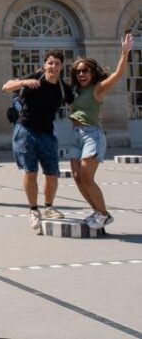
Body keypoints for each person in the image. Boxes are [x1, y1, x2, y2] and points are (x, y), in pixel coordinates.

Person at [2, 50, 75, 235]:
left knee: (52, 174)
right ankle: (33, 210)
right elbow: (6, 87)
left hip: (47, 133)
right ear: (44, 65)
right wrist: (23, 82)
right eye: (50, 63)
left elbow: (74, 107)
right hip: (26, 130)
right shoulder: (34, 78)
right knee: (31, 171)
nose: (53, 66)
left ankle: (49, 207)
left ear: (61, 67)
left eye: (57, 63)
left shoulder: (62, 88)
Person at [68, 33, 133, 229]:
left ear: (92, 72)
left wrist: (125, 52)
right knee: (77, 178)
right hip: (75, 136)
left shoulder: (98, 89)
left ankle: (104, 214)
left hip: (92, 136)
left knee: (87, 177)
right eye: (78, 71)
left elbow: (118, 74)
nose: (81, 74)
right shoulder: (77, 91)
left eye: (85, 70)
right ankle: (97, 212)